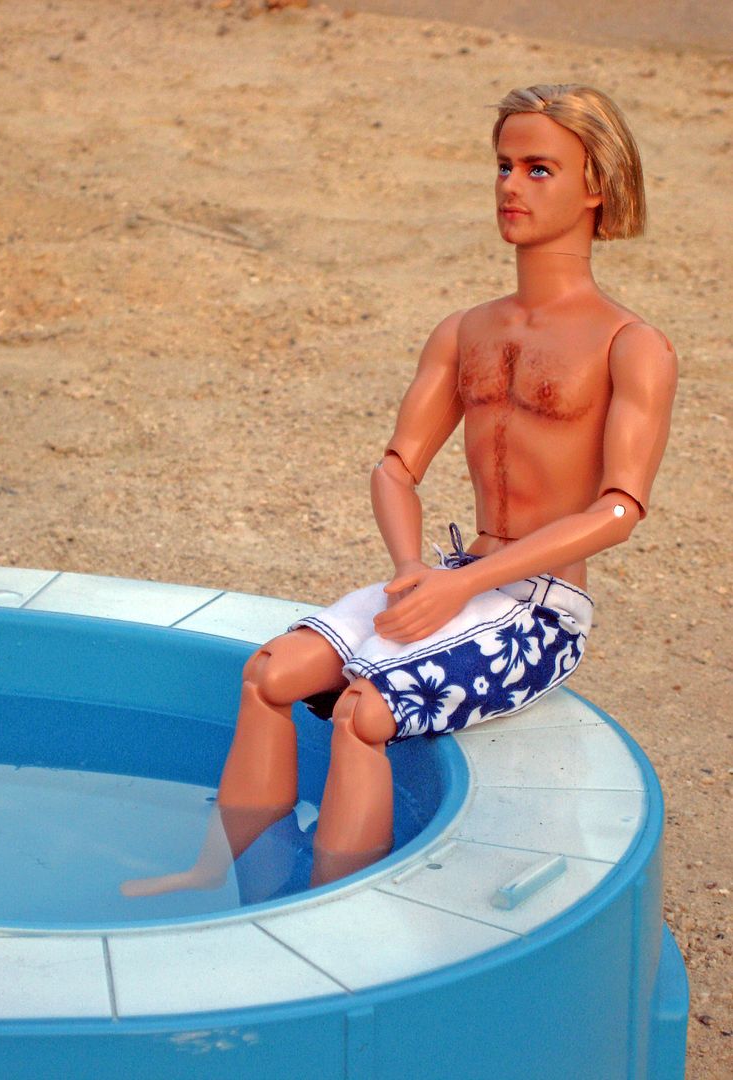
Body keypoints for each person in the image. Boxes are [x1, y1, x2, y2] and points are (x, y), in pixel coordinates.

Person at [121, 83, 677, 898]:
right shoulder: (465, 331)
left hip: (542, 609)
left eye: (539, 169)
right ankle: (226, 874)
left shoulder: (631, 344)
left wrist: (461, 588)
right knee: (269, 672)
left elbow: (620, 509)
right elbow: (395, 468)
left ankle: (338, 911)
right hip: (456, 576)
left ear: (597, 184)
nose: (511, 186)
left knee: (364, 712)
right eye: (503, 166)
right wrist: (414, 567)